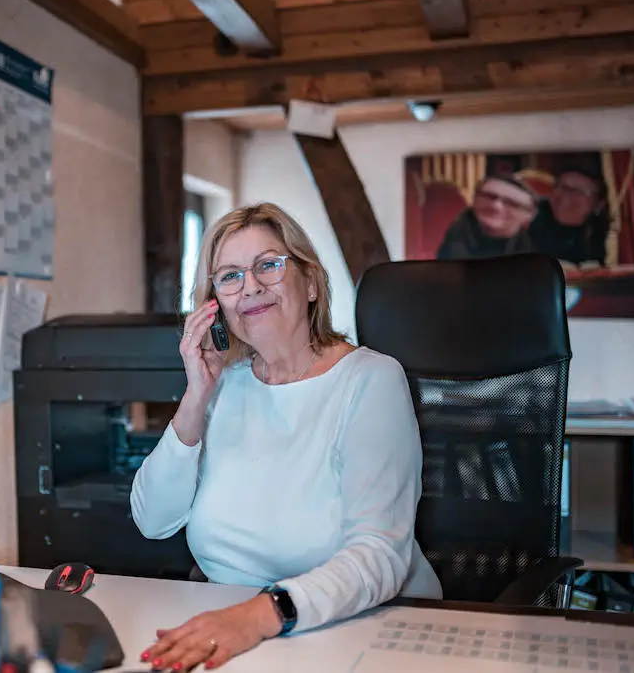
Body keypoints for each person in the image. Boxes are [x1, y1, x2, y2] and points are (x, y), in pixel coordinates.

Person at [130, 203, 442, 671]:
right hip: (242, 635)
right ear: (216, 305)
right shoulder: (224, 385)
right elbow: (153, 521)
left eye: (269, 265)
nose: (250, 285)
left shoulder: (369, 381)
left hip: (363, 630)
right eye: (229, 276)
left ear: (311, 283)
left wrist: (258, 616)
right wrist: (196, 397)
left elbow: (379, 555)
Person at [436, 174, 538, 260]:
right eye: (489, 197)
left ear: (529, 215)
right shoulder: (459, 231)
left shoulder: (534, 240)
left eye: (510, 203)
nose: (495, 206)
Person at [528, 165, 609, 267]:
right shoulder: (530, 220)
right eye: (562, 187)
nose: (567, 196)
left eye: (580, 191)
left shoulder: (608, 238)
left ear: (599, 203)